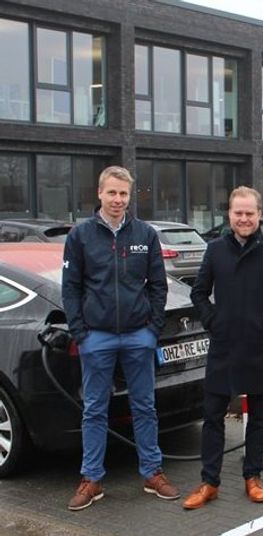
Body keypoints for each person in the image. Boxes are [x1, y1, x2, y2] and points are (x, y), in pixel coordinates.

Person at [62, 165, 179, 511]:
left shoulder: (145, 234)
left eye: (123, 193)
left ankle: (152, 473)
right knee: (94, 410)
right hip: (96, 337)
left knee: (144, 407)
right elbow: (70, 289)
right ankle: (92, 479)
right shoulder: (80, 236)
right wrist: (81, 333)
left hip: (138, 336)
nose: (117, 199)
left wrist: (152, 329)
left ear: (130, 196)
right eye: (112, 192)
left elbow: (158, 286)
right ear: (100, 193)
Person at [183, 186, 263, 510]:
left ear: (259, 214)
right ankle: (209, 482)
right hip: (223, 346)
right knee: (212, 417)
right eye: (238, 213)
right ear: (230, 214)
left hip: (258, 347)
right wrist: (213, 321)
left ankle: (253, 476)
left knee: (258, 418)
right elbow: (198, 293)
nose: (244, 218)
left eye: (250, 213)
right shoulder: (215, 250)